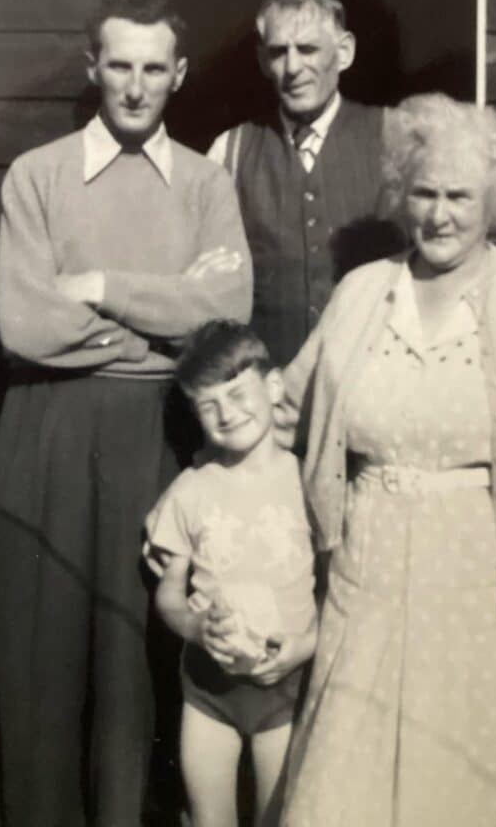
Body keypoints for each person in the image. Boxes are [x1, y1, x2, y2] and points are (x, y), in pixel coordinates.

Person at [279, 93, 496, 826]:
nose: (440, 214)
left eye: (460, 196)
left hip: (491, 588)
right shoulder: (361, 294)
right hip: (368, 583)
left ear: (494, 202)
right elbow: (287, 409)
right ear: (402, 196)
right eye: (425, 193)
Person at [0, 0, 253, 827]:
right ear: (92, 67)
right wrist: (158, 329)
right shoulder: (39, 176)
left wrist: (101, 289)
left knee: (137, 670)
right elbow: (24, 325)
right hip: (47, 439)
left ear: (178, 74)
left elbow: (227, 314)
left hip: (158, 442)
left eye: (154, 69)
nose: (135, 88)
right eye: (119, 67)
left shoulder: (206, 184)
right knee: (41, 668)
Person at [144, 320, 317, 827]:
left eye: (238, 393)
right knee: (207, 818)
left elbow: (340, 589)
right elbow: (170, 596)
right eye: (208, 404)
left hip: (287, 690)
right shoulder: (192, 490)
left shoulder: (307, 483)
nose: (227, 413)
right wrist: (196, 628)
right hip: (208, 695)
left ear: (274, 386)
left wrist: (304, 648)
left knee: (279, 815)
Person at [208, 0, 402, 366]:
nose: (293, 68)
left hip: (371, 373)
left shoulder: (394, 136)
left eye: (308, 49)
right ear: (263, 60)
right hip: (270, 381)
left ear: (343, 52)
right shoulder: (230, 149)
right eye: (279, 52)